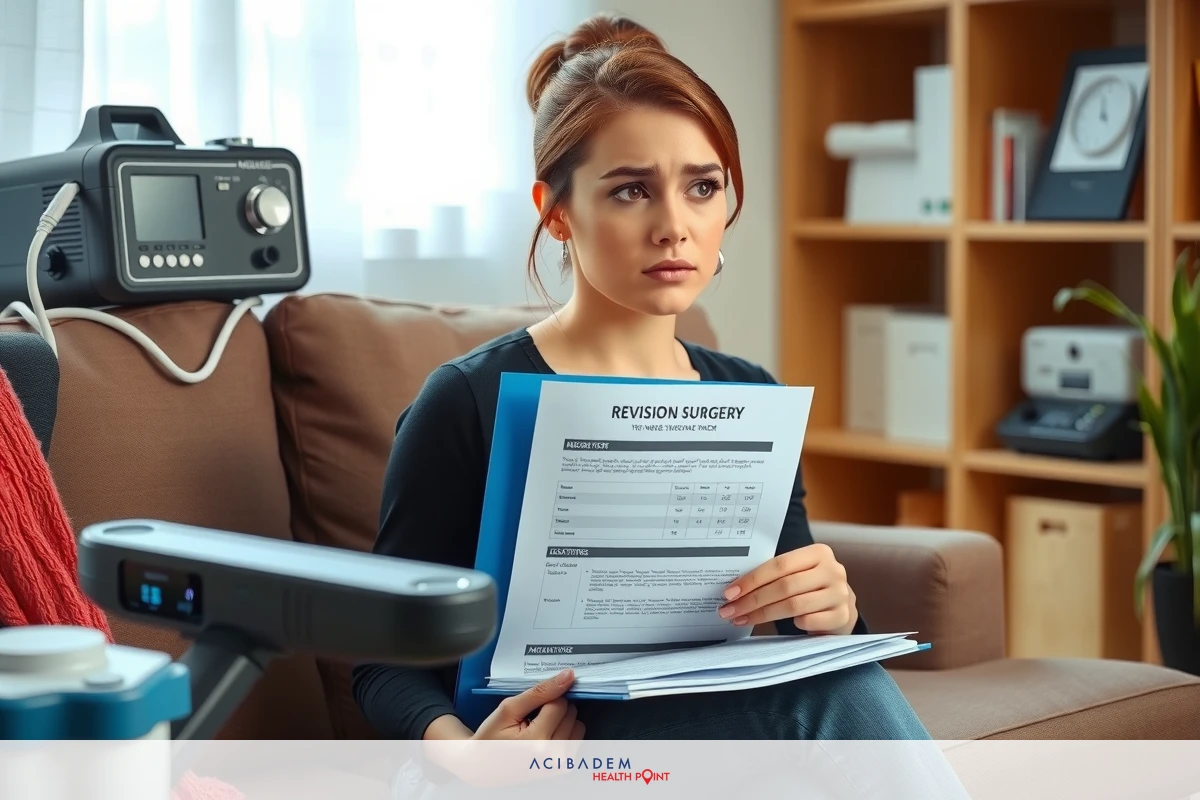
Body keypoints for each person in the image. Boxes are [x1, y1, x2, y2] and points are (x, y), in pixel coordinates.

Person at [351, 13, 931, 743]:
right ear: (555, 213)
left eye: (703, 187)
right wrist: (467, 759)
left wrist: (833, 615)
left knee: (842, 679)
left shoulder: (749, 396)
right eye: (631, 191)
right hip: (543, 745)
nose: (674, 226)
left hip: (702, 726)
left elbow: (795, 635)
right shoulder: (468, 398)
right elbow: (382, 659)